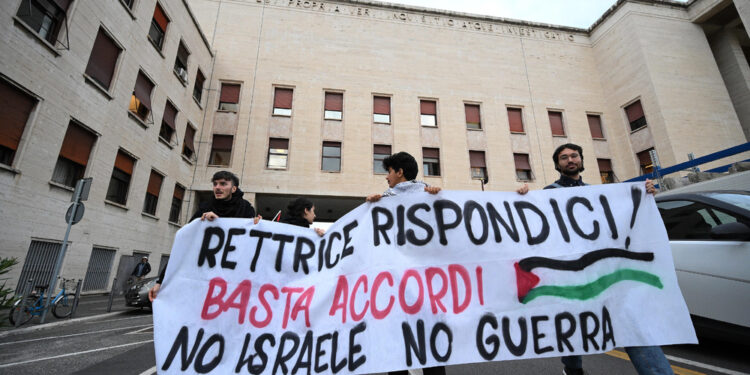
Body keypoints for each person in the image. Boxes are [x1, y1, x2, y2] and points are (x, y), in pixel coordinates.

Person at [518, 143, 667, 375]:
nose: (570, 160)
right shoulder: (548, 193)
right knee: (573, 321)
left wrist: (644, 192)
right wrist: (523, 198)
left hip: (603, 270)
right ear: (558, 165)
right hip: (569, 272)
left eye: (574, 156)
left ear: (581, 159)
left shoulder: (600, 193)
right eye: (564, 157)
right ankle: (572, 368)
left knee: (629, 321)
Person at [366, 151, 444, 375]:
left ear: (400, 172)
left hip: (424, 283)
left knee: (430, 341)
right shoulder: (383, 201)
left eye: (389, 172)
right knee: (397, 342)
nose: (386, 177)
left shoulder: (431, 196)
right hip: (396, 284)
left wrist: (439, 198)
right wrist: (369, 209)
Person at [149, 171, 259, 301]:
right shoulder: (205, 208)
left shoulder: (246, 209)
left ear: (234, 188)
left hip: (233, 278)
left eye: (223, 184)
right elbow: (184, 245)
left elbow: (250, 245)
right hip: (206, 276)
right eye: (215, 184)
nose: (217, 187)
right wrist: (161, 282)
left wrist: (257, 226)